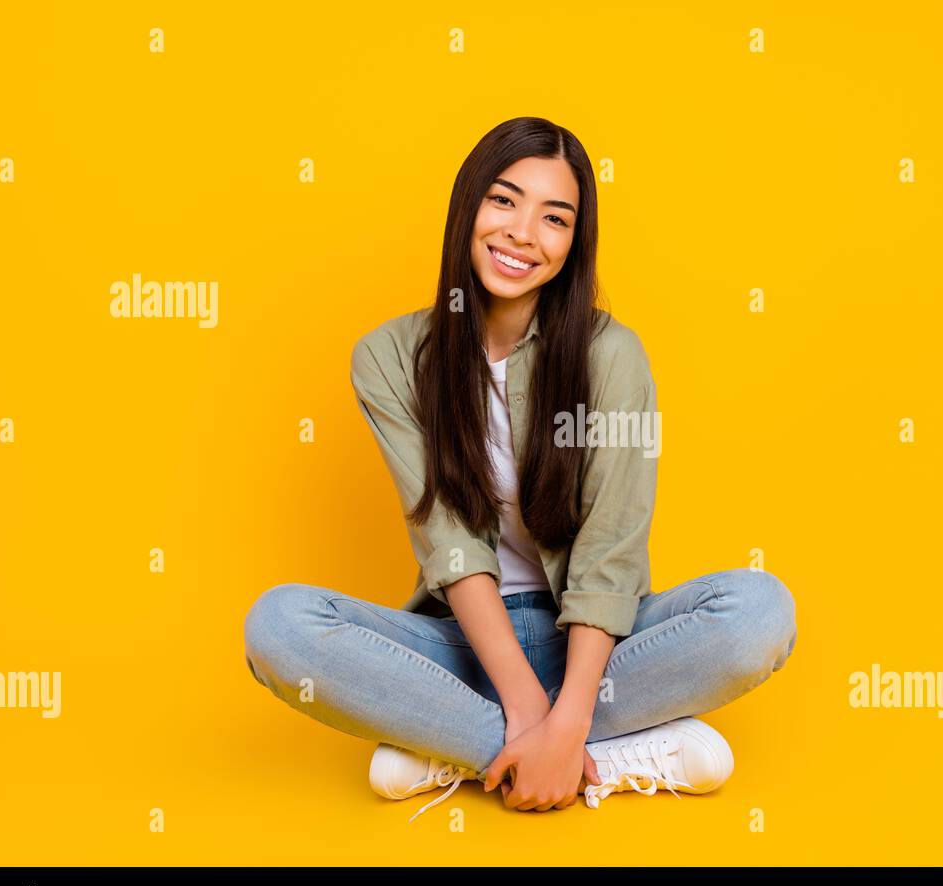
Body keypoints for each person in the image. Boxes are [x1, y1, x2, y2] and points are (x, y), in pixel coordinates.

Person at [243, 116, 797, 821]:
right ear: (468, 205)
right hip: (465, 648)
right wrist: (530, 707)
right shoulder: (387, 357)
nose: (522, 234)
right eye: (504, 200)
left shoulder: (612, 356)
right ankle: (596, 759)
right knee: (280, 626)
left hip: (596, 658)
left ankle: (462, 749)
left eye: (554, 217)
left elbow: (610, 553)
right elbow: (450, 541)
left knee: (759, 611)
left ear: (574, 242)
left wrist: (566, 715)